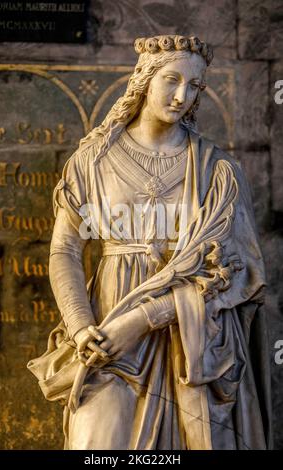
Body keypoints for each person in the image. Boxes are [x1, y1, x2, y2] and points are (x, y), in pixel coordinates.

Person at [28, 35, 272, 450]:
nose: (181, 96)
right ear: (143, 79)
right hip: (107, 334)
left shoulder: (218, 169)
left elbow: (241, 271)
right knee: (96, 442)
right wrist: (81, 325)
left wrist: (143, 319)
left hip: (192, 345)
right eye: (171, 80)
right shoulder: (92, 160)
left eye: (194, 86)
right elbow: (65, 249)